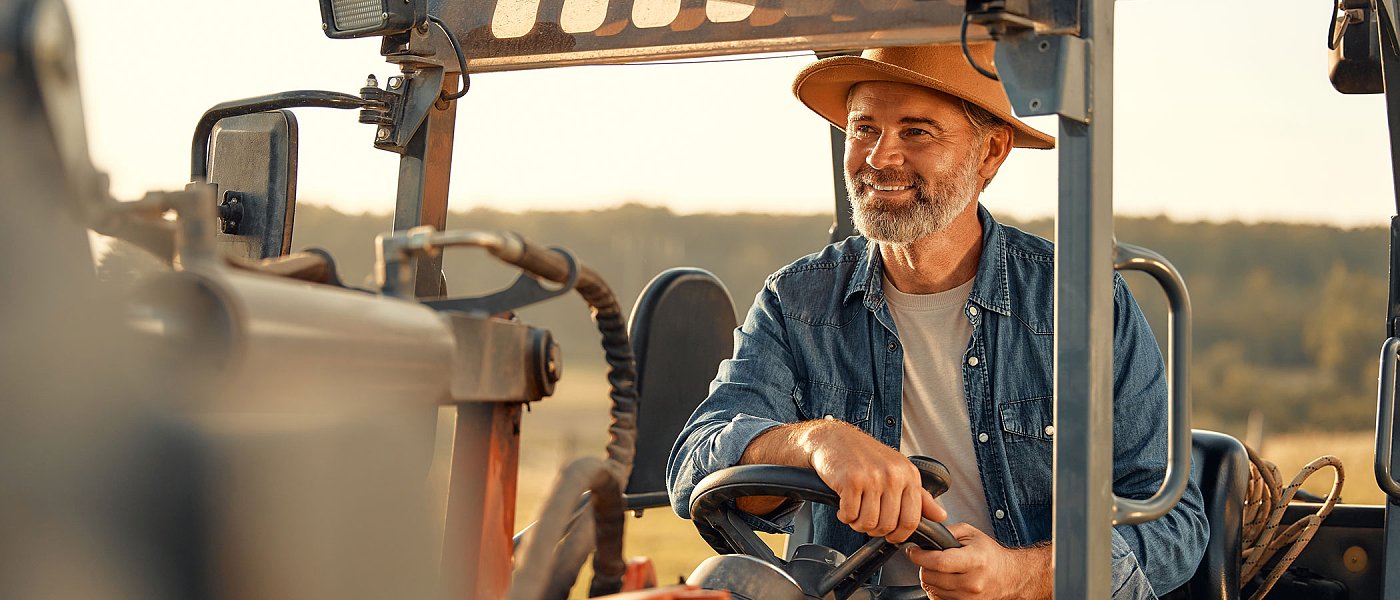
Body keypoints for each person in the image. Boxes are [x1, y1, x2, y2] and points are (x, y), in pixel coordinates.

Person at [666, 43, 1208, 599]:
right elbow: (695, 464)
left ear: (991, 152)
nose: (879, 157)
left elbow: (1173, 526)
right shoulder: (797, 299)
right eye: (863, 129)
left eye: (916, 132)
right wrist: (818, 442)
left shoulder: (1080, 300)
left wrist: (1018, 576)